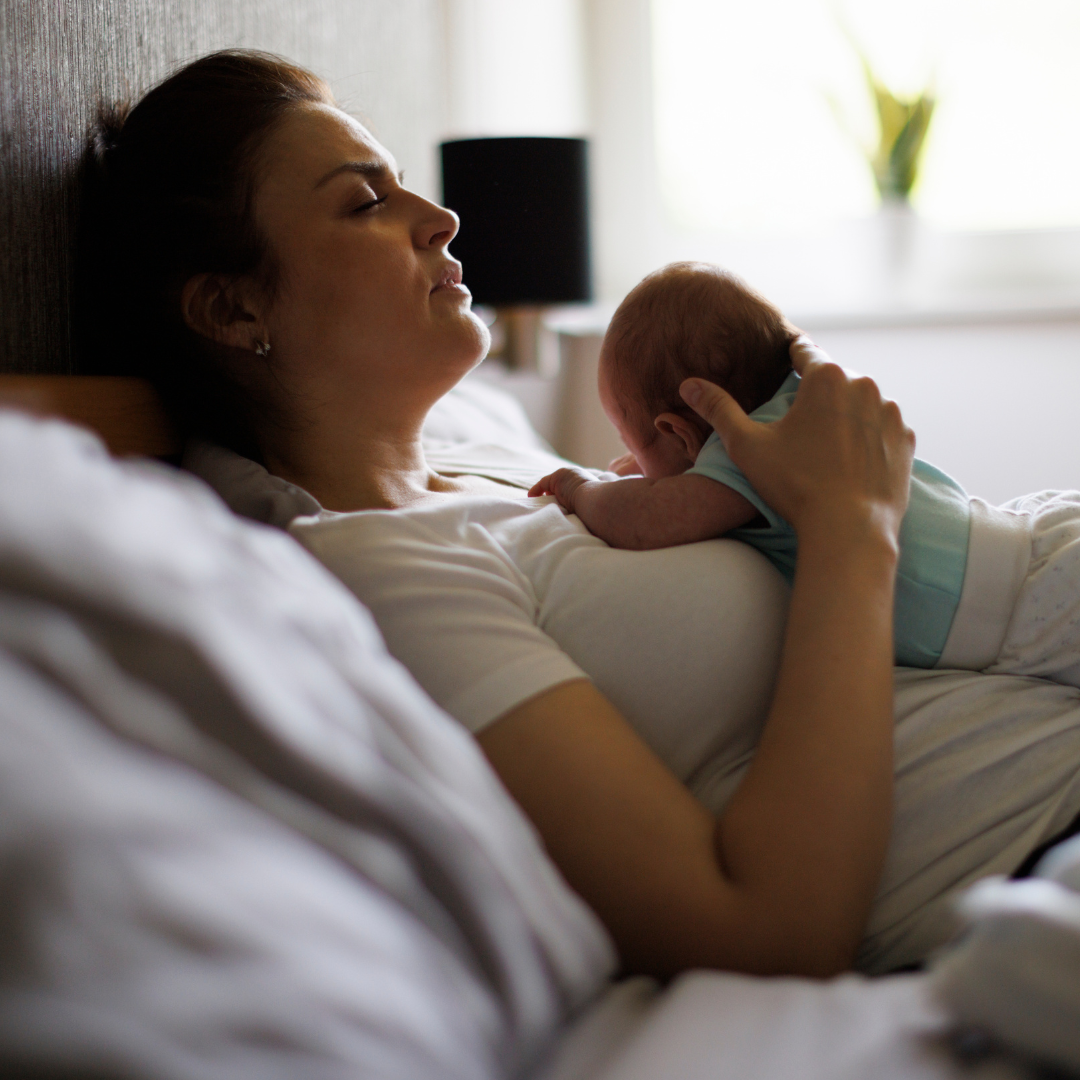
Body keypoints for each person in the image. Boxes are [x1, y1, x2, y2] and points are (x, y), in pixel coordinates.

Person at [77, 49, 1080, 981]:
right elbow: (761, 928)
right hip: (1038, 844)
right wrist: (854, 529)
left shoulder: (489, 461)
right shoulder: (382, 573)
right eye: (366, 203)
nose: (442, 217)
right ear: (233, 310)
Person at [530, 262, 1080, 683]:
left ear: (679, 433)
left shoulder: (753, 451)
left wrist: (583, 489)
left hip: (1028, 608)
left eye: (634, 445)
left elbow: (648, 521)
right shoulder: (806, 409)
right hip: (1036, 536)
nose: (633, 467)